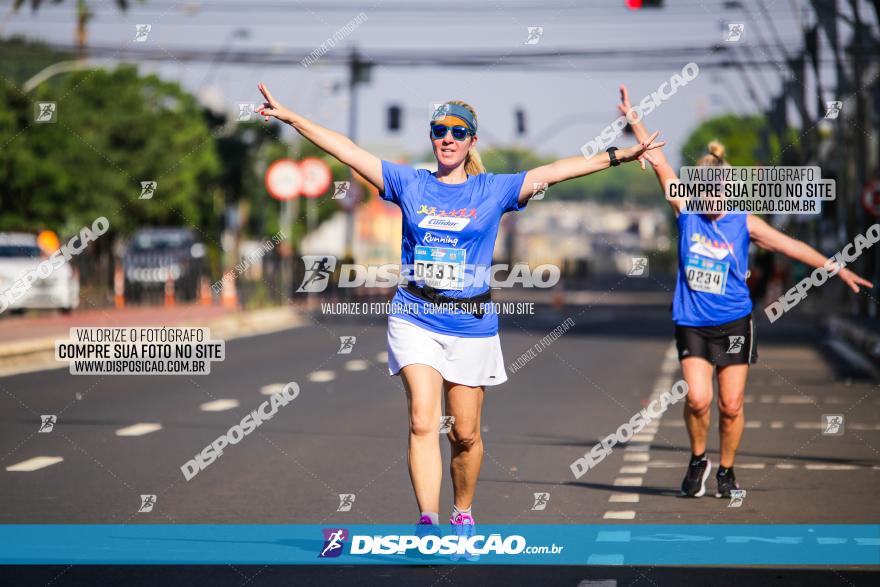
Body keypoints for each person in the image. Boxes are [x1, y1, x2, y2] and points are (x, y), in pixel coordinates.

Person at [255, 83, 663, 545]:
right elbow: (348, 150)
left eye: (457, 132)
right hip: (415, 315)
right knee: (422, 421)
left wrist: (620, 155)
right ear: (432, 138)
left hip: (471, 324)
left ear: (471, 142)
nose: (447, 139)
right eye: (439, 131)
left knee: (465, 434)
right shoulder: (409, 183)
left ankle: (462, 511)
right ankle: (427, 521)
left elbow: (556, 170)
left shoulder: (494, 189)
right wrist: (293, 118)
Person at [616, 85, 873, 498]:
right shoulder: (686, 213)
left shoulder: (744, 222)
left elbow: (793, 247)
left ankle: (727, 470)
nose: (713, 195)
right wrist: (633, 118)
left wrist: (837, 268)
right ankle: (699, 458)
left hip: (734, 320)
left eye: (720, 189)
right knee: (698, 400)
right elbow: (658, 157)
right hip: (692, 322)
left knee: (730, 405)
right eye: (706, 188)